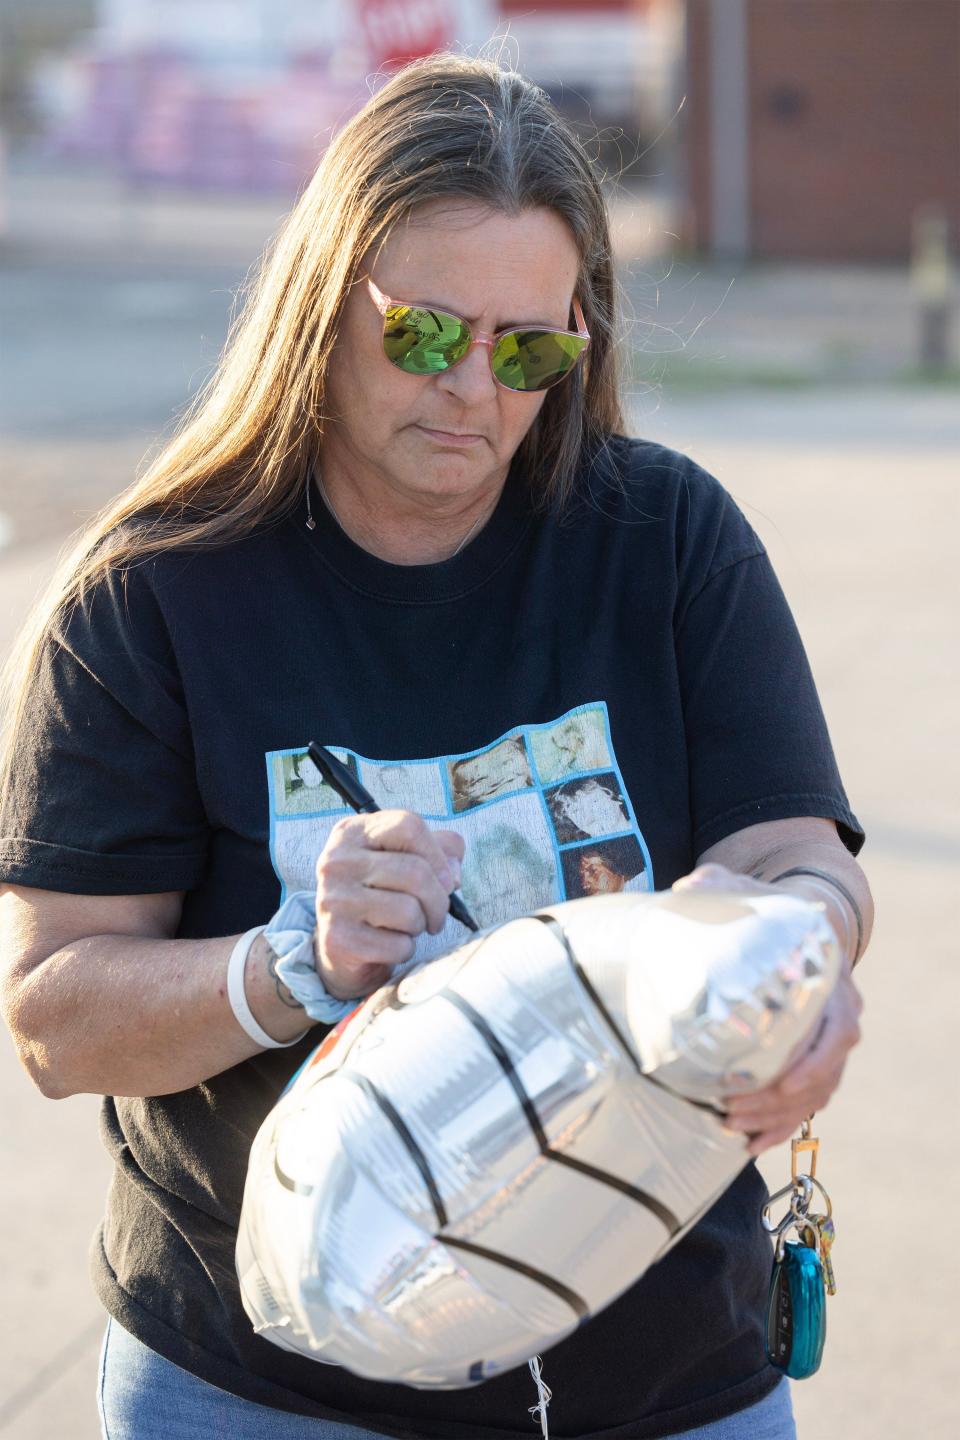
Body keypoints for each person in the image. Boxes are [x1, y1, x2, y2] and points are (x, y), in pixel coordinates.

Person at [0, 53, 871, 1440]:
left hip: (662, 1378)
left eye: (528, 350)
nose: (472, 385)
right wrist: (287, 964)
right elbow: (52, 1014)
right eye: (422, 334)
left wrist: (799, 959)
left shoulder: (665, 541)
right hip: (263, 1384)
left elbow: (792, 852)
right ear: (322, 307)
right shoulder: (154, 593)